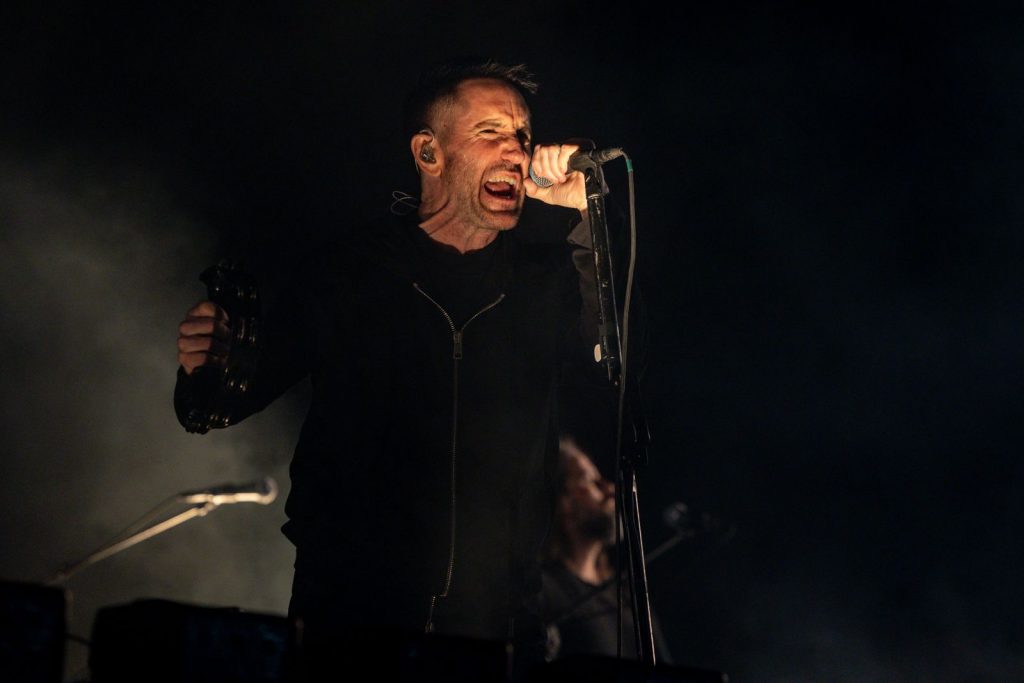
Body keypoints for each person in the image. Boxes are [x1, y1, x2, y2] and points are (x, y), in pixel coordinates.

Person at [174, 59, 602, 671]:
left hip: (499, 626)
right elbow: (227, 398)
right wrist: (208, 362)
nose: (517, 150)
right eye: (490, 132)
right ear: (429, 152)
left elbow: (616, 359)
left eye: (523, 135)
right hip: (350, 623)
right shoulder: (350, 272)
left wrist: (587, 218)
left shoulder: (544, 283)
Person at [540, 436, 672, 663]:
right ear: (563, 502)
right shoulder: (542, 592)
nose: (610, 490)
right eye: (590, 480)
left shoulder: (627, 597)